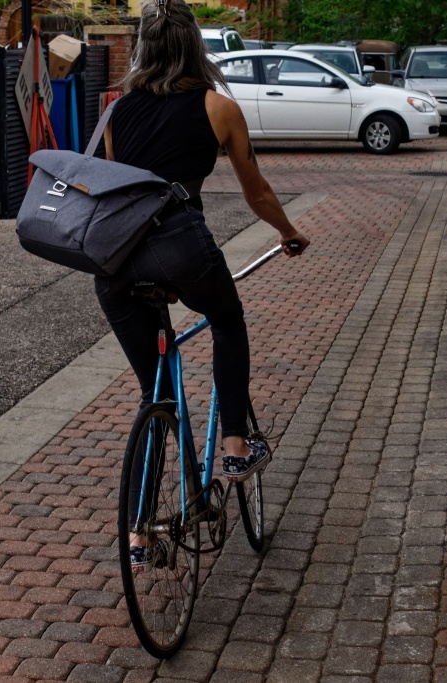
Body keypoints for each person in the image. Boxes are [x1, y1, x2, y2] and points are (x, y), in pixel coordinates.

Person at [94, 0, 310, 569]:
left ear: (142, 47)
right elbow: (257, 192)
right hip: (181, 254)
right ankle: (235, 446)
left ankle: (139, 537)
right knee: (228, 320)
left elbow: (124, 197)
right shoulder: (219, 107)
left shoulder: (116, 112)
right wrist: (288, 232)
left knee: (155, 394)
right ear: (195, 47)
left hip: (116, 268)